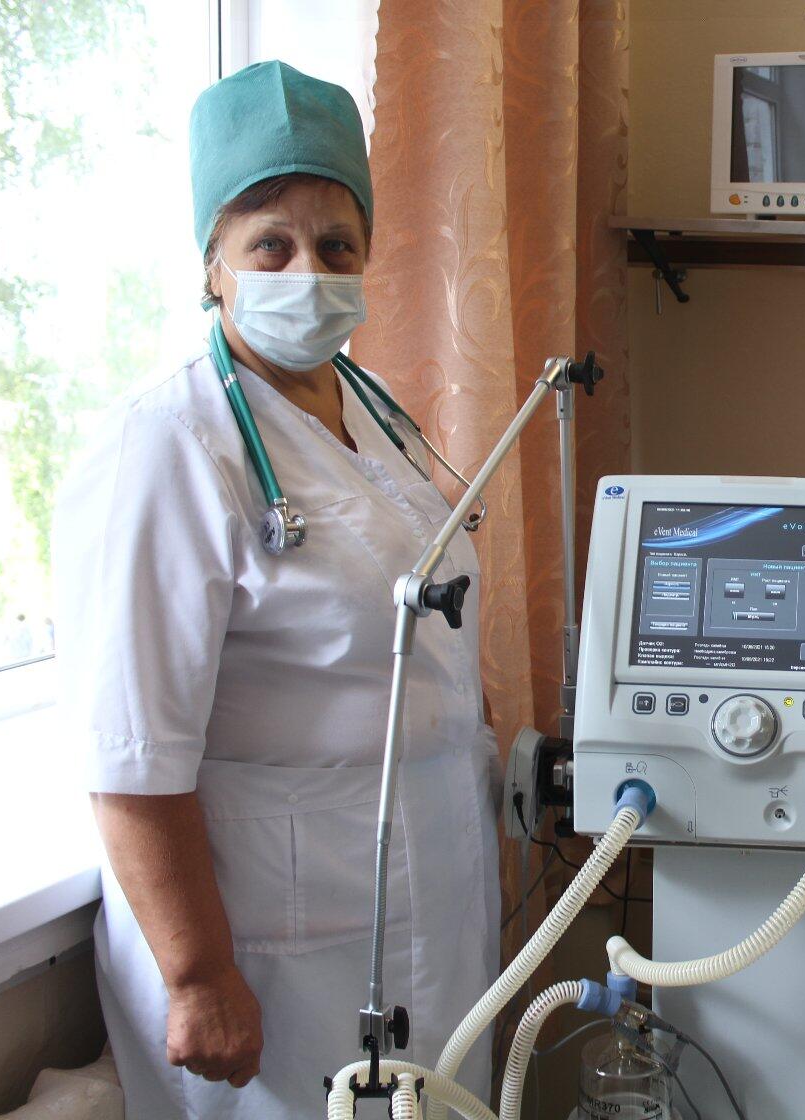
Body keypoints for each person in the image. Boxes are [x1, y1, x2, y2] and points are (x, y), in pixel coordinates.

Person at [53, 61, 501, 1118]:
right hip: (274, 950)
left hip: (428, 910)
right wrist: (199, 976)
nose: (310, 270)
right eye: (271, 245)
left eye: (337, 245)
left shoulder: (371, 410)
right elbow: (130, 755)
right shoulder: (166, 445)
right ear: (213, 265)